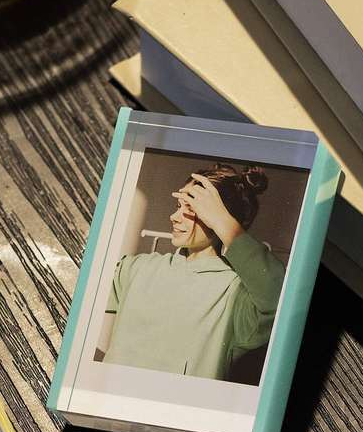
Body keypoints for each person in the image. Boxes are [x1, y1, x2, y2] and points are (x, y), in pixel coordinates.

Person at [97, 163, 285, 381]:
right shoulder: (135, 268)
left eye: (192, 209)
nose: (174, 216)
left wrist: (225, 223)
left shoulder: (235, 293)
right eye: (178, 205)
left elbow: (281, 301)